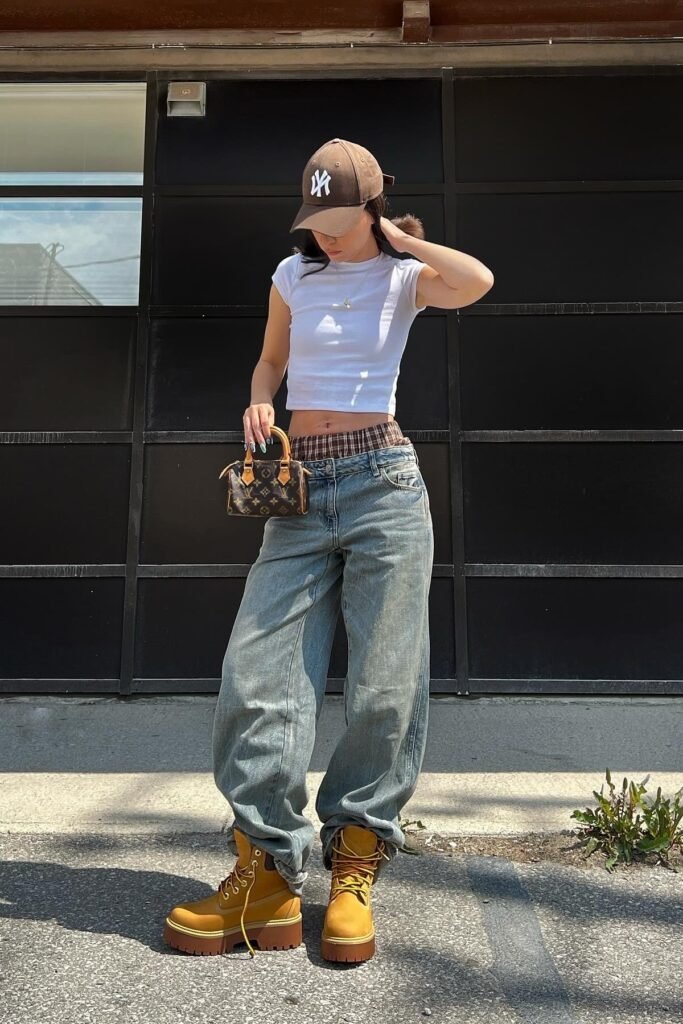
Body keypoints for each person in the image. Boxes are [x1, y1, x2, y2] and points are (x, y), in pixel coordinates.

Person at [163, 138, 494, 963]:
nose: (326, 238)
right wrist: (256, 402)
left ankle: (353, 862)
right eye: (316, 222)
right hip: (299, 491)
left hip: (384, 482)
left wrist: (395, 239)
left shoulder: (403, 275)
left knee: (386, 683)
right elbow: (271, 359)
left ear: (371, 209)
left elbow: (476, 281)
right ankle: (269, 872)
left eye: (342, 222)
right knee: (258, 674)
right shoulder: (290, 276)